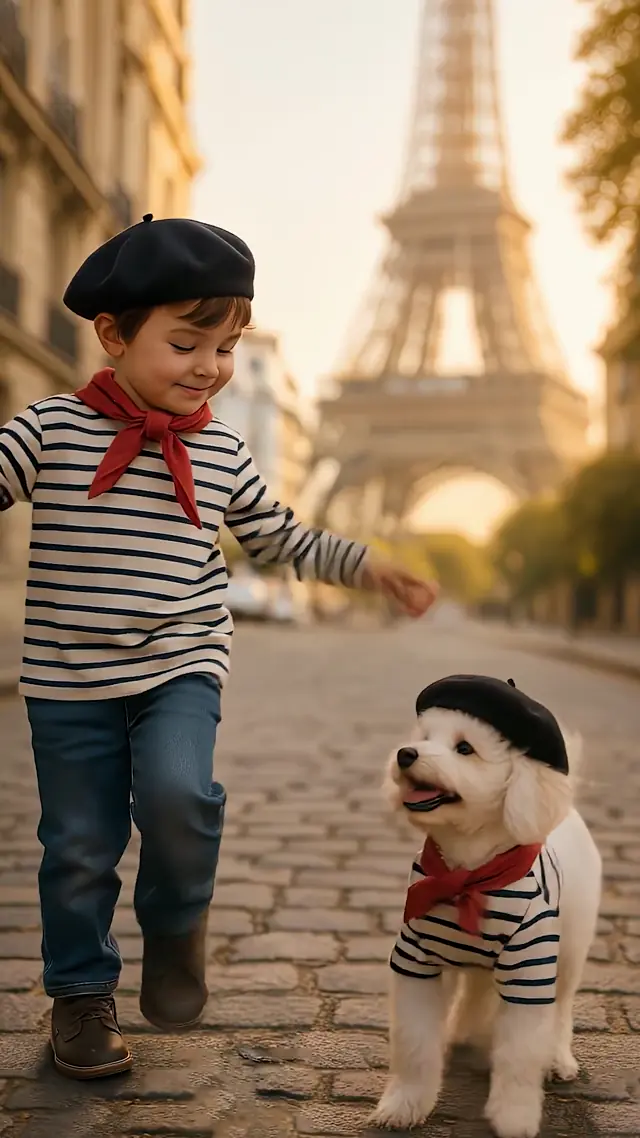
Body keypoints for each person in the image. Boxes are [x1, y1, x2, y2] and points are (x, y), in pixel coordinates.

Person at [0, 215, 438, 1081]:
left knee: (177, 795)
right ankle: (81, 998)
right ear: (114, 335)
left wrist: (365, 565)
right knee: (79, 846)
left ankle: (173, 925)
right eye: (188, 342)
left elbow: (278, 538)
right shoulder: (49, 426)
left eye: (228, 347)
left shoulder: (222, 446)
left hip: (180, 664)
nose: (210, 367)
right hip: (66, 677)